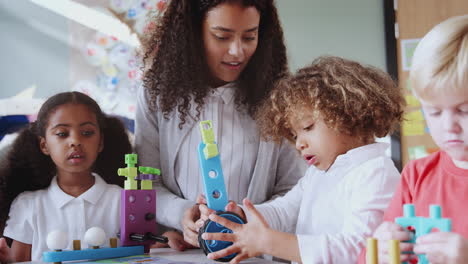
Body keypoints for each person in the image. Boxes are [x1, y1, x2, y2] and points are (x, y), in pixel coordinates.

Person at [198, 56, 405, 263]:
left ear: (349, 114)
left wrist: (268, 242)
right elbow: (283, 212)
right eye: (294, 135)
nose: (299, 144)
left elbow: (358, 251)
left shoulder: (375, 174)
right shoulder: (318, 173)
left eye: (307, 127)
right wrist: (239, 216)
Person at [135, 0, 305, 250]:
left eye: (249, 37)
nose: (237, 51)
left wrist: (250, 222)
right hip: (182, 253)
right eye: (222, 36)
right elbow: (146, 182)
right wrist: (183, 213)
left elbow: (293, 190)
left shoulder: (279, 98)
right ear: (192, 34)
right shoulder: (156, 94)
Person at [359, 15, 468, 264]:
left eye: (464, 110)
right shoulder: (417, 175)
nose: (448, 125)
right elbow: (369, 257)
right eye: (435, 111)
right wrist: (379, 253)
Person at [0, 92, 132, 262]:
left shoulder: (124, 200)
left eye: (87, 132)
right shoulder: (28, 205)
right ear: (44, 145)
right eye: (62, 134)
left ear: (100, 142)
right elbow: (19, 261)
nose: (75, 141)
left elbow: (142, 253)